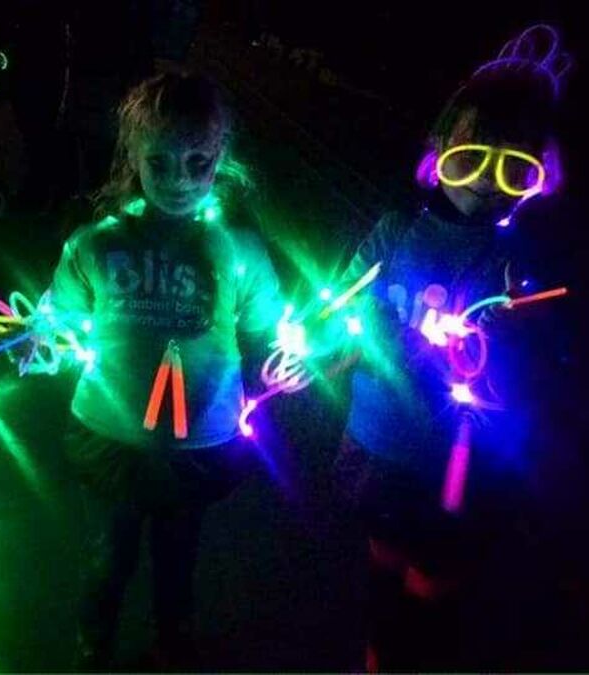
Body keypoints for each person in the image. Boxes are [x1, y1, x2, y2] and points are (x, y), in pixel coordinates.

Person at [333, 25, 584, 671]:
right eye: (469, 158)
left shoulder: (521, 259)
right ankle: (382, 648)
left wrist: (505, 334)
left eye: (513, 166)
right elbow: (344, 303)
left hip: (463, 463)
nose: (484, 182)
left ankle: (415, 647)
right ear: (438, 150)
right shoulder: (395, 232)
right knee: (384, 558)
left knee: (438, 577)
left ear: (540, 173)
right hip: (381, 442)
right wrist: (350, 331)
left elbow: (541, 349)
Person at [46, 72, 283, 668]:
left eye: (197, 162)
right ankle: (94, 639)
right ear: (133, 155)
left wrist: (288, 360)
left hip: (198, 441)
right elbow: (60, 319)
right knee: (109, 555)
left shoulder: (238, 249)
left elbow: (266, 329)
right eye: (160, 161)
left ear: (220, 157)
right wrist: (42, 341)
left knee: (178, 556)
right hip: (109, 435)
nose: (179, 179)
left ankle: (172, 640)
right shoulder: (96, 244)